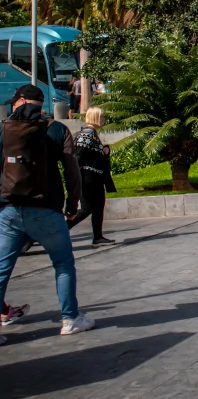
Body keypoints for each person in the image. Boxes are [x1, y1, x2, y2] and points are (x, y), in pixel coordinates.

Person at [0, 84, 95, 336]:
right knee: (63, 263)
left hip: (9, 210)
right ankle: (70, 319)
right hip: (46, 210)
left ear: (21, 100)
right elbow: (71, 171)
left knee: (2, 268)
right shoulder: (56, 129)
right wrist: (72, 205)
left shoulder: (4, 129)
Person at [67, 107, 116, 247]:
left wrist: (104, 150)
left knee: (99, 206)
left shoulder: (91, 134)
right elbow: (79, 155)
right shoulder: (87, 134)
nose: (103, 119)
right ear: (95, 117)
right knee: (87, 208)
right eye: (101, 116)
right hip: (88, 178)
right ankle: (62, 230)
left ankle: (98, 237)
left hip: (95, 178)